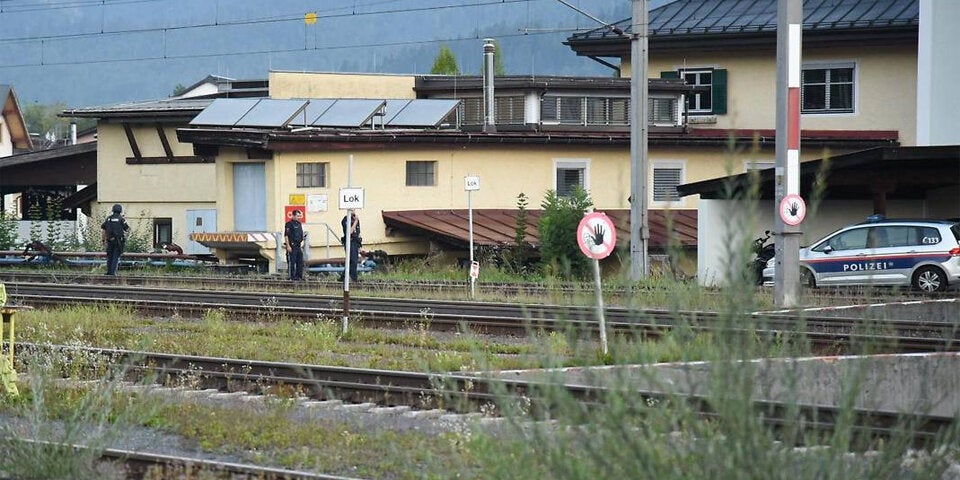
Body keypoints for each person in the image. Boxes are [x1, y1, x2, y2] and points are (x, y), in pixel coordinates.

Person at [101, 204, 130, 276]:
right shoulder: (121, 219)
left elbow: (103, 230)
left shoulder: (108, 219)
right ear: (120, 211)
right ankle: (113, 273)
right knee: (115, 257)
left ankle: (109, 272)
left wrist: (103, 241)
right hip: (118, 241)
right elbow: (128, 229)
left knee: (109, 257)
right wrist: (125, 237)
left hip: (109, 240)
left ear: (113, 210)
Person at [283, 209, 305, 281]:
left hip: (298, 246)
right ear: (293, 216)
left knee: (300, 261)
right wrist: (288, 246)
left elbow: (300, 235)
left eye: (299, 216)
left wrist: (301, 245)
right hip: (292, 246)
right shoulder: (289, 224)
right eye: (298, 216)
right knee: (292, 262)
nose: (299, 217)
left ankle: (299, 276)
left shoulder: (299, 224)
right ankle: (292, 277)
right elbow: (286, 236)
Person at [340, 212, 361, 282]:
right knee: (353, 260)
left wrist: (360, 245)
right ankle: (354, 278)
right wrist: (355, 222)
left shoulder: (356, 219)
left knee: (351, 261)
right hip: (349, 241)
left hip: (355, 242)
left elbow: (358, 233)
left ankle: (343, 277)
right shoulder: (346, 220)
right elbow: (349, 232)